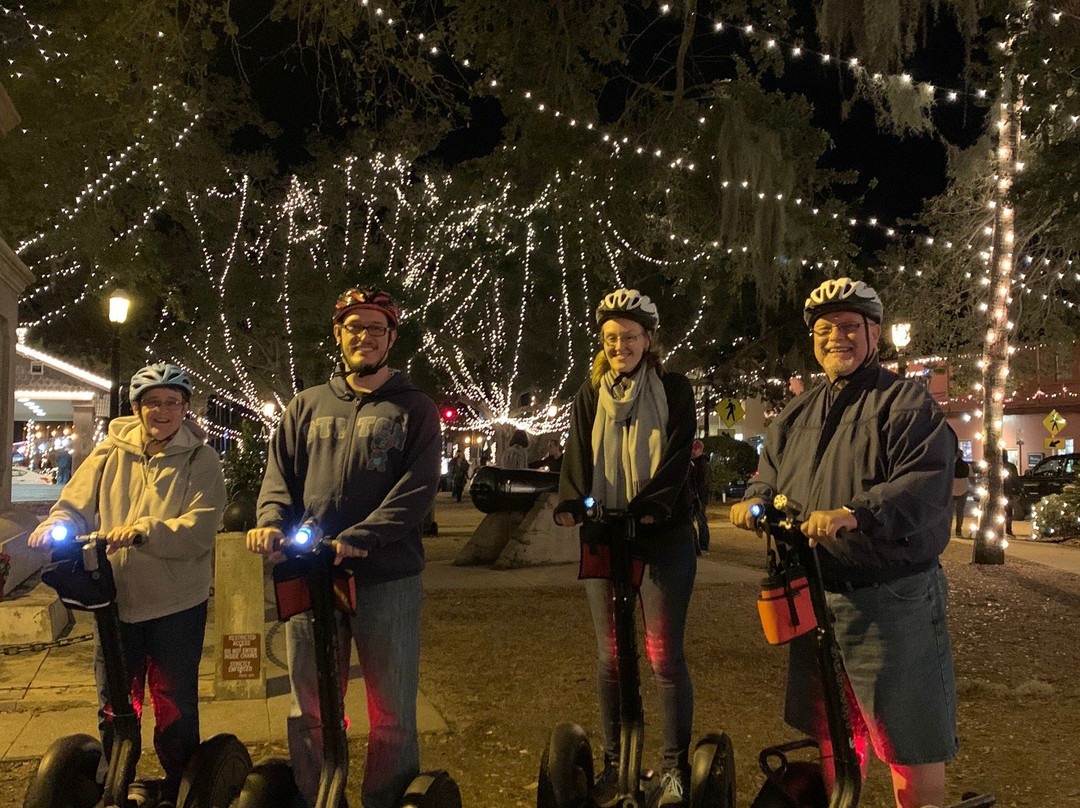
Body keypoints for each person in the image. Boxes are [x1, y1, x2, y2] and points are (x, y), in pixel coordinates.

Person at [729, 277, 958, 808]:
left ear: (874, 334)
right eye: (826, 329)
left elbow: (924, 483)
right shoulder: (798, 413)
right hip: (817, 592)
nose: (838, 338)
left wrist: (855, 514)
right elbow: (770, 472)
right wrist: (756, 501)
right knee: (832, 727)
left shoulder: (906, 403)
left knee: (909, 738)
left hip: (890, 597)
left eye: (851, 327)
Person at [246, 288, 441, 808]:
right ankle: (317, 797)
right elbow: (278, 479)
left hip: (386, 576)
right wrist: (269, 523)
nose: (364, 337)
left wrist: (359, 540)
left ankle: (385, 797)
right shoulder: (306, 404)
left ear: (391, 338)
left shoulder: (414, 408)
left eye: (376, 328)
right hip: (311, 573)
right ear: (338, 334)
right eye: (354, 327)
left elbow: (417, 491)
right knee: (308, 703)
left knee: (391, 709)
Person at [28, 362, 225, 804]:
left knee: (173, 702)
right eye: (152, 402)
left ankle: (180, 782)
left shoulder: (201, 459)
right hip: (115, 598)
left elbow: (200, 526)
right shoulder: (109, 452)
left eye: (172, 402)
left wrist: (144, 531)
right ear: (138, 408)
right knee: (116, 699)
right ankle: (114, 779)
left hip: (176, 601)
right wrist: (56, 522)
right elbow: (74, 503)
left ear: (185, 408)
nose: (162, 411)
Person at [554, 288, 697, 808]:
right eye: (612, 338)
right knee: (611, 657)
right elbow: (576, 455)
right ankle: (617, 764)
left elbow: (679, 455)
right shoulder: (590, 395)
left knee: (663, 657)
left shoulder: (675, 389)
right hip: (604, 534)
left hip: (662, 535)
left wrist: (654, 504)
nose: (621, 345)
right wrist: (573, 502)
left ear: (648, 339)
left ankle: (674, 767)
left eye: (630, 337)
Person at [689, 439, 711, 554]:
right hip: (695, 496)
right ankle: (698, 546)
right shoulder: (695, 463)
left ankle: (703, 546)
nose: (692, 452)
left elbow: (702, 482)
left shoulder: (702, 464)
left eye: (695, 450)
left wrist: (696, 494)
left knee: (701, 521)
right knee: (694, 521)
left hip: (699, 497)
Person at [1002, 449, 1020, 537]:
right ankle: (1008, 530)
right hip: (1007, 492)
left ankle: (997, 530)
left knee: (997, 512)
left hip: (997, 493)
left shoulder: (994, 467)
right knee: (1008, 512)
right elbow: (1015, 480)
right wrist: (1017, 491)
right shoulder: (1011, 466)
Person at [952, 448, 970, 537]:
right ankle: (958, 530)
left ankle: (948, 529)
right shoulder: (966, 465)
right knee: (960, 512)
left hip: (951, 490)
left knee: (949, 512)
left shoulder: (950, 465)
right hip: (963, 489)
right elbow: (971, 477)